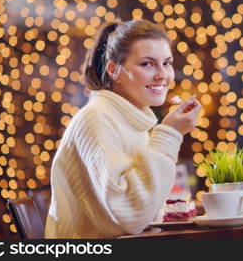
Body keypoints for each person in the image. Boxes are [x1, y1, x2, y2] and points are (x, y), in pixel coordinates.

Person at [45, 19, 202, 238]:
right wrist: (170, 133)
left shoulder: (131, 121)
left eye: (166, 63)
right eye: (147, 64)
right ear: (113, 69)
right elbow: (129, 216)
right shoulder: (96, 119)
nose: (162, 75)